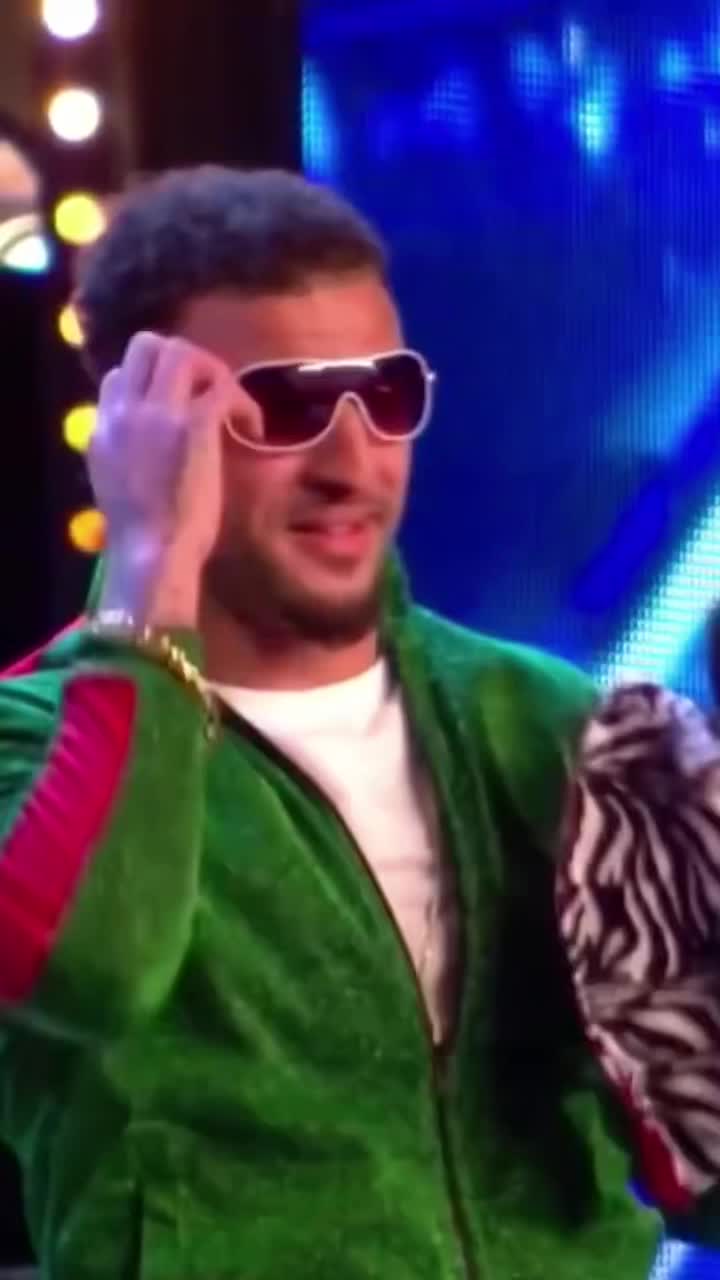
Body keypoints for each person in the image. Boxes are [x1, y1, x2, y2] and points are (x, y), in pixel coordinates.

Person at [0, 165, 718, 1280]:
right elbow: (92, 970)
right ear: (144, 428)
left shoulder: (547, 720)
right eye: (285, 406)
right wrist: (149, 563)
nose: (351, 461)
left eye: (386, 394)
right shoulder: (33, 738)